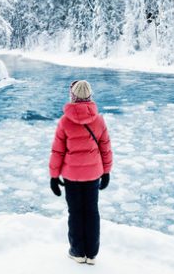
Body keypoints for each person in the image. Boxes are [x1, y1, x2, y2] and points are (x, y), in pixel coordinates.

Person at [49, 80, 113, 265]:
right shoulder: (99, 120)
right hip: (93, 174)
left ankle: (77, 252)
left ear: (73, 97)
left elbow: (58, 151)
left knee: (76, 213)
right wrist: (106, 171)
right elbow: (105, 148)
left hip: (71, 177)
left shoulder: (64, 121)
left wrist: (54, 177)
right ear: (90, 96)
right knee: (92, 212)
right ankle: (91, 254)